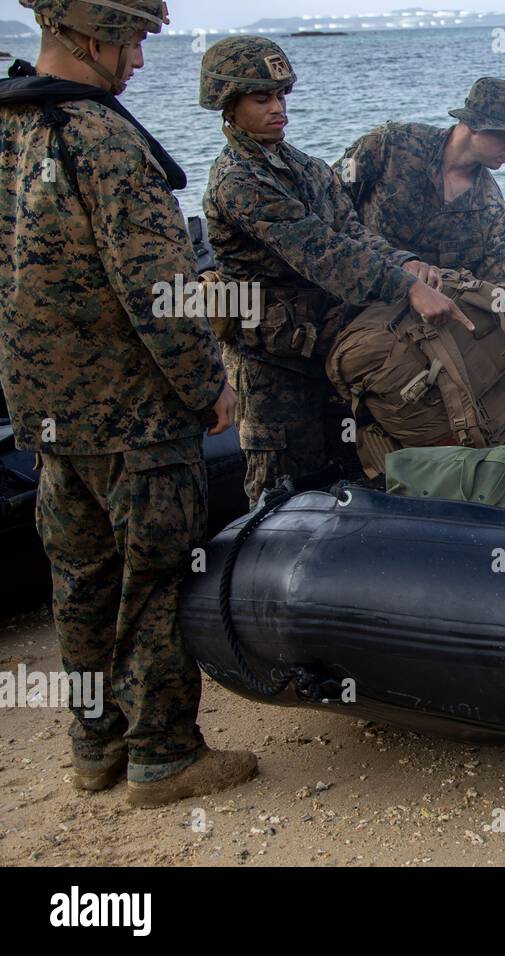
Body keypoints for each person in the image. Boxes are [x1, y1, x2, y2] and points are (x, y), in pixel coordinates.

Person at [0, 0, 254, 807]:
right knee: (154, 582)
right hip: (134, 418)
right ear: (93, 34)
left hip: (46, 412)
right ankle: (163, 755)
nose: (140, 61)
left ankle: (94, 745)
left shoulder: (8, 130)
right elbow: (161, 292)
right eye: (135, 40)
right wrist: (209, 386)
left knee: (77, 580)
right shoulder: (106, 139)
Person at [199, 36, 468, 508]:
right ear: (228, 104)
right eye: (262, 99)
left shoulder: (303, 166)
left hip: (330, 349)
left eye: (282, 96)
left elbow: (349, 232)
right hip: (273, 365)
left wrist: (403, 262)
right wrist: (405, 288)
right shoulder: (237, 181)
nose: (278, 108)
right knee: (280, 495)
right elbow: (320, 252)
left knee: (349, 476)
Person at [334, 77, 505, 288]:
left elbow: (498, 291)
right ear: (476, 125)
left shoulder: (492, 209)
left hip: (418, 315)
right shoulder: (391, 146)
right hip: (349, 281)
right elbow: (329, 200)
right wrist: (397, 261)